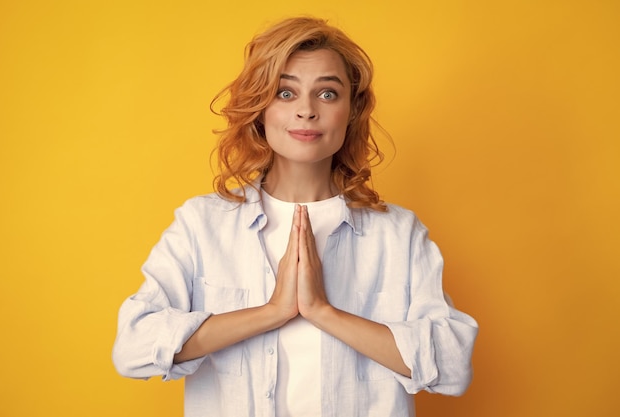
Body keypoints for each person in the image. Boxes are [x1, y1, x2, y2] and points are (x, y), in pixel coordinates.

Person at [112, 16, 478, 417]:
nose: (306, 110)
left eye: (327, 94)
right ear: (260, 109)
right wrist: (271, 312)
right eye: (286, 93)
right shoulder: (202, 225)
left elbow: (453, 365)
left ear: (351, 111)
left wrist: (323, 311)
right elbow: (132, 350)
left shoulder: (397, 234)